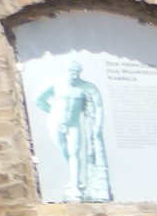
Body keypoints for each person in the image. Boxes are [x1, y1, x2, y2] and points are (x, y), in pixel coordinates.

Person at [36, 61, 111, 203]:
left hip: (73, 124)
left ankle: (75, 184)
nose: (75, 76)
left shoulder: (86, 87)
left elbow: (98, 106)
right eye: (72, 72)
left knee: (74, 152)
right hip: (55, 122)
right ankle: (74, 179)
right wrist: (53, 112)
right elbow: (38, 99)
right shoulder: (55, 83)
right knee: (63, 151)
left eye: (77, 73)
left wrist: (97, 125)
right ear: (66, 71)